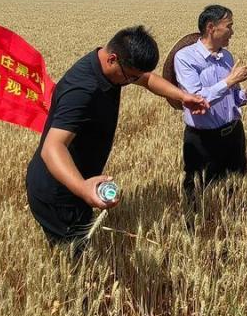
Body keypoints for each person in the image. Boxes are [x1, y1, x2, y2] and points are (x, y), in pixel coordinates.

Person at [25, 26, 208, 255]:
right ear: (112, 59)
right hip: (58, 192)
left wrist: (182, 96)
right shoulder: (82, 90)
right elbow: (53, 147)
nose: (131, 81)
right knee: (76, 261)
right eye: (129, 76)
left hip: (78, 182)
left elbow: (148, 78)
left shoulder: (111, 65)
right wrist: (82, 188)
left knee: (81, 255)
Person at [173, 5, 247, 210]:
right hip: (202, 140)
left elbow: (232, 98)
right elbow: (197, 99)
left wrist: (245, 94)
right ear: (211, 27)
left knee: (235, 194)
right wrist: (230, 81)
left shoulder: (227, 57)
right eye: (229, 26)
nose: (233, 31)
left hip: (233, 135)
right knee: (197, 198)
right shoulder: (186, 58)